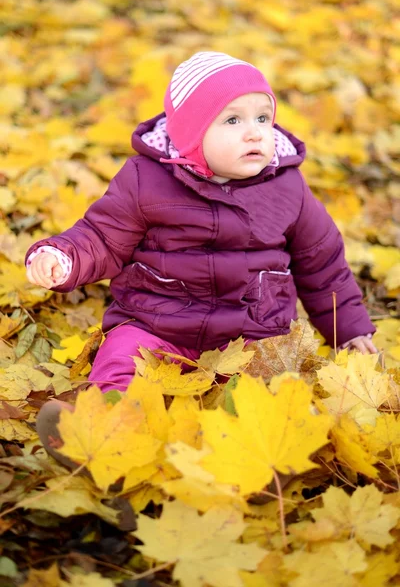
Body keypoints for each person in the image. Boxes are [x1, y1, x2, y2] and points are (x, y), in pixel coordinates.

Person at [26, 52, 377, 487]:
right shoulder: (145, 181)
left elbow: (322, 264)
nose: (254, 132)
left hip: (253, 334)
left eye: (263, 117)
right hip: (160, 323)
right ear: (191, 134)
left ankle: (259, 465)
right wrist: (61, 257)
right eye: (232, 121)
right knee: (122, 358)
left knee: (269, 390)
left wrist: (351, 329)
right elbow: (101, 235)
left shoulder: (287, 188)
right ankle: (104, 433)